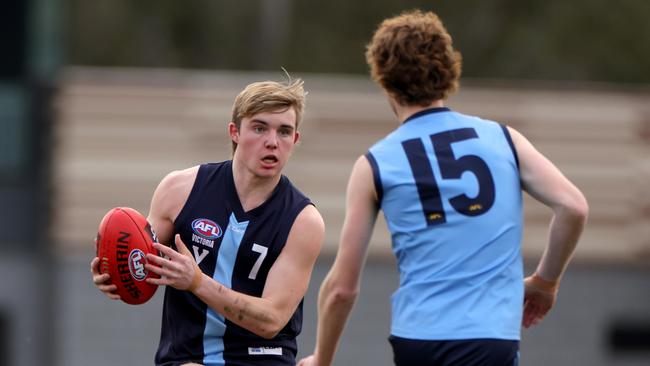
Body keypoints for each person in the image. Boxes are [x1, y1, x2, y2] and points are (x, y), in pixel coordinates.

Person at [298, 9, 588, 366]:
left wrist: (322, 359)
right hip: (490, 339)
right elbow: (573, 207)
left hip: (419, 339)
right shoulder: (504, 139)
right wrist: (545, 283)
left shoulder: (375, 163)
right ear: (448, 71)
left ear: (384, 80)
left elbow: (341, 288)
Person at [91, 77, 325, 366]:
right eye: (260, 128)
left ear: (296, 140)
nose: (272, 142)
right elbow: (145, 262)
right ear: (235, 132)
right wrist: (117, 271)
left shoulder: (303, 221)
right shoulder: (179, 190)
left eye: (284, 132)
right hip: (186, 358)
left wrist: (197, 282)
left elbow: (271, 320)